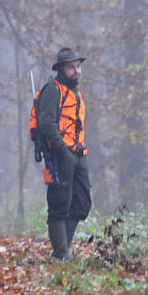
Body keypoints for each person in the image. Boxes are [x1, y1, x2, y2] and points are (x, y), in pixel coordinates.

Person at [34, 47, 92, 260]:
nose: (76, 71)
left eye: (78, 67)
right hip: (60, 155)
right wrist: (63, 152)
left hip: (78, 154)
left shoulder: (75, 93)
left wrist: (75, 154)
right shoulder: (52, 90)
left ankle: (62, 252)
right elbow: (46, 123)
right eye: (71, 67)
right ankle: (61, 254)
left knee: (82, 204)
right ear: (61, 69)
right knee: (59, 204)